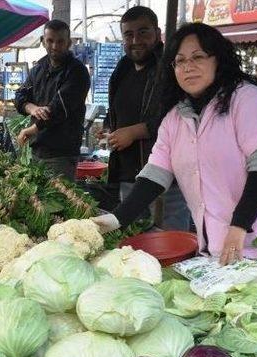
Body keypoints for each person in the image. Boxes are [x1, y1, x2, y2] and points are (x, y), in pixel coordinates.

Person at [91, 23, 257, 277]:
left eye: (198, 57)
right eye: (180, 61)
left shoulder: (248, 100)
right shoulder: (175, 118)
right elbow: (155, 175)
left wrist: (239, 226)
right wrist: (116, 219)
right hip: (220, 241)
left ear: (218, 59)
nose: (188, 67)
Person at [100, 6, 190, 230]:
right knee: (135, 241)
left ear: (157, 33)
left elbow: (181, 116)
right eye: (128, 34)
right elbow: (117, 111)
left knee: (169, 241)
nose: (135, 40)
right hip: (129, 172)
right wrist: (109, 128)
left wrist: (135, 131)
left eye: (143, 32)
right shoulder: (122, 69)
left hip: (167, 177)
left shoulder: (171, 69)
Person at [14, 20, 91, 181]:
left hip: (61, 153)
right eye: (50, 41)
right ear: (43, 41)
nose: (55, 46)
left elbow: (59, 108)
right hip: (37, 150)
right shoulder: (38, 69)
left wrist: (31, 130)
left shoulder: (77, 72)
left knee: (59, 202)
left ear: (69, 43)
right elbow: (20, 96)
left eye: (60, 41)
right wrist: (32, 108)